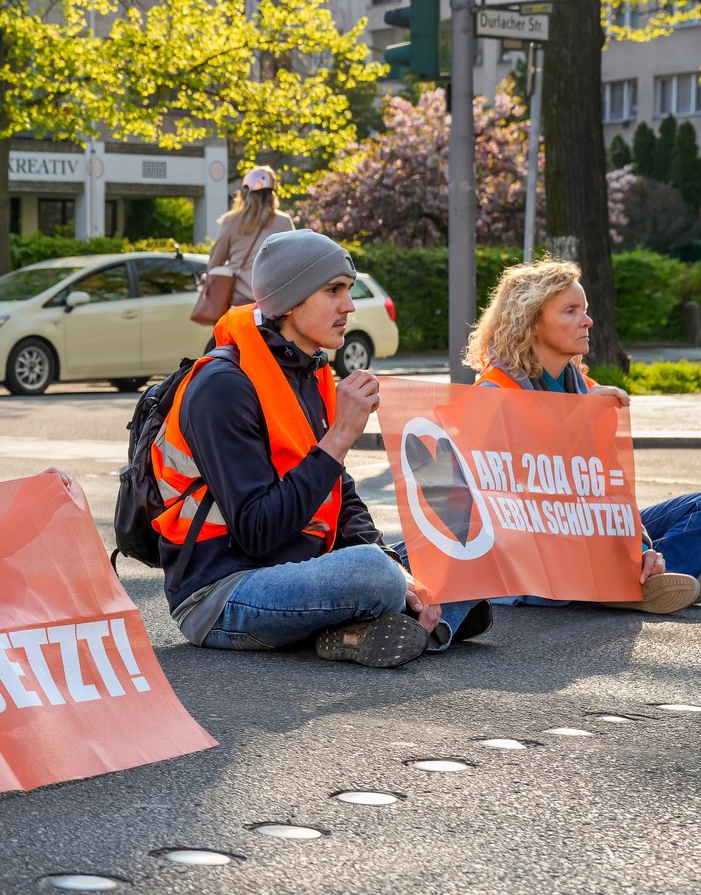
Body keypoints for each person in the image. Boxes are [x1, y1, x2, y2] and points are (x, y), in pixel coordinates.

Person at [154, 229, 489, 668]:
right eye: (333, 291)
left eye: (348, 291)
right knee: (371, 573)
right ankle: (410, 622)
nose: (349, 306)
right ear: (291, 300)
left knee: (462, 550)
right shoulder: (222, 387)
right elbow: (257, 531)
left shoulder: (310, 373)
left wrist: (403, 572)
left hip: (306, 567)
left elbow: (340, 496)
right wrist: (341, 436)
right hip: (222, 592)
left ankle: (374, 626)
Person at [466, 259, 701, 613]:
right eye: (571, 311)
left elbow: (608, 486)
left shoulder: (585, 387)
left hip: (588, 528)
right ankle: (650, 582)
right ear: (531, 322)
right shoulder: (493, 390)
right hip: (534, 541)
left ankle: (649, 576)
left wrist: (639, 545)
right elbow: (513, 501)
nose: (587, 321)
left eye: (585, 310)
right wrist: (578, 422)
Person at [205, 166, 295, 308]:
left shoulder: (231, 220)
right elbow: (293, 262)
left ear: (245, 193)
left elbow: (215, 262)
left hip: (238, 303)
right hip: (272, 303)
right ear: (273, 194)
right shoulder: (284, 221)